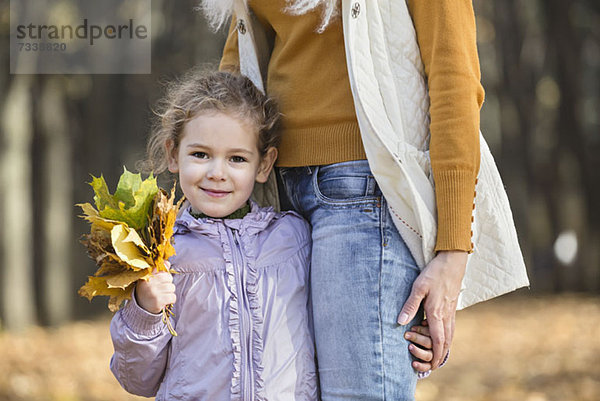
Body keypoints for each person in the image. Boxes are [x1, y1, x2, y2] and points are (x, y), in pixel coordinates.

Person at [202, 1, 530, 400]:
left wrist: (454, 247)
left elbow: (453, 76)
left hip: (364, 193)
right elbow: (240, 65)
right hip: (274, 195)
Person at [108, 69, 437, 400]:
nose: (217, 173)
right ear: (172, 154)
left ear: (264, 165)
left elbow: (350, 323)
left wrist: (420, 348)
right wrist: (145, 310)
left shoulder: (293, 239)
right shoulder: (160, 255)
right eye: (200, 154)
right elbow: (137, 380)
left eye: (237, 158)